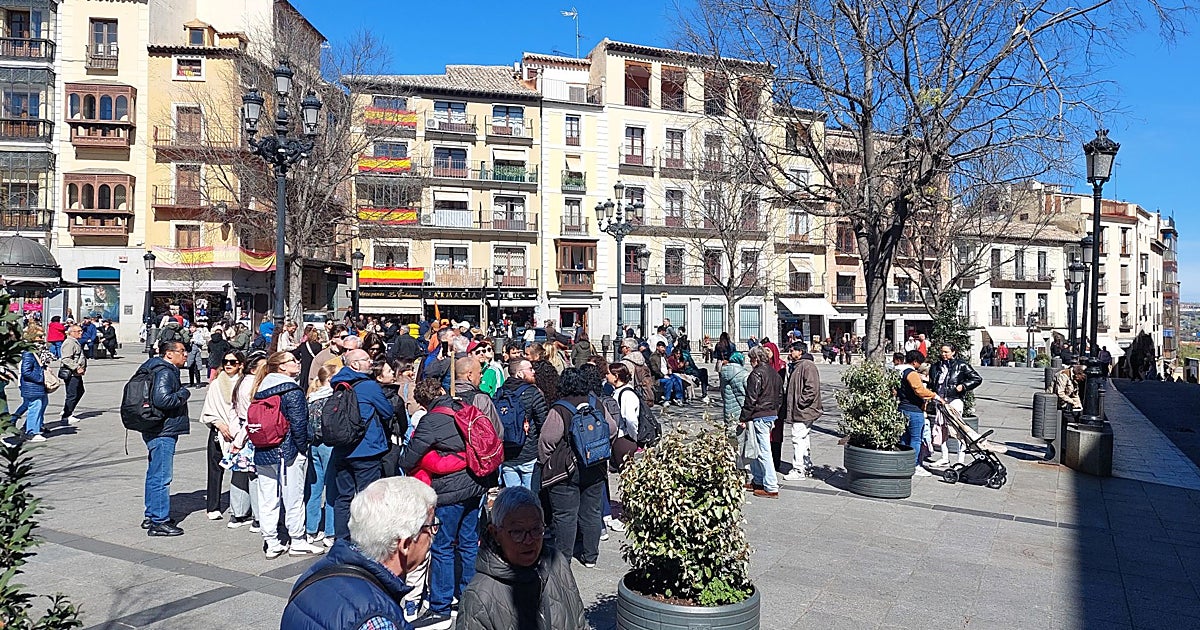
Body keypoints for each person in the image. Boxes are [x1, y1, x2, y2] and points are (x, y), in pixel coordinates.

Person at [398, 359, 502, 630]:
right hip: (475, 484)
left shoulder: (431, 421)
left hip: (449, 491)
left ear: (423, 403)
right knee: (469, 542)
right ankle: (469, 599)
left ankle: (440, 608)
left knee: (443, 547)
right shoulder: (463, 408)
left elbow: (408, 459)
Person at [281, 476, 438, 630]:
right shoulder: (377, 621)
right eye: (431, 525)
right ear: (406, 544)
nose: (433, 533)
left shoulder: (316, 573)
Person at [457, 486, 588, 630]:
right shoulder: (479, 597)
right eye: (517, 532)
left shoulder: (557, 562)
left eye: (536, 529)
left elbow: (579, 620)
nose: (529, 540)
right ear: (495, 533)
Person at [539, 367, 616, 568]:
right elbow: (613, 428)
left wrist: (546, 461)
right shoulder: (596, 403)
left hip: (566, 469)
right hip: (595, 465)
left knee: (565, 515)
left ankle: (564, 559)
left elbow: (547, 441)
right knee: (591, 511)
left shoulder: (560, 409)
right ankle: (591, 556)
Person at [252, 350, 326, 558]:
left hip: (263, 448)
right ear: (281, 367)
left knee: (267, 497)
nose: (297, 362)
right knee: (293, 496)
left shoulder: (261, 388)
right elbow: (299, 423)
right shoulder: (291, 390)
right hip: (288, 450)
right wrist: (302, 448)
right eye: (292, 360)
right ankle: (297, 540)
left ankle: (271, 541)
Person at [330, 349, 395, 540]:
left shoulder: (337, 384)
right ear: (354, 365)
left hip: (342, 448)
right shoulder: (368, 386)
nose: (370, 361)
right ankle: (369, 537)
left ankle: (342, 538)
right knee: (370, 497)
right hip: (367, 449)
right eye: (366, 359)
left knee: (344, 497)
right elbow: (387, 411)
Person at [136, 340, 191, 536]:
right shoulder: (166, 371)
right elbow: (163, 399)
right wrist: (183, 393)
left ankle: (152, 514)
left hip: (152, 426)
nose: (185, 355)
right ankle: (158, 522)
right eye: (182, 351)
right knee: (161, 476)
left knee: (154, 473)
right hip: (163, 430)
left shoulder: (151, 367)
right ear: (169, 354)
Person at [199, 349, 245, 520]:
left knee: (241, 471)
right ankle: (213, 506)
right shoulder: (217, 383)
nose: (228, 365)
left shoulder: (245, 383)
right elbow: (208, 409)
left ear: (240, 364)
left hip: (240, 433)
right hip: (218, 431)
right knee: (215, 469)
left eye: (233, 362)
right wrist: (219, 424)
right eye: (226, 361)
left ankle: (240, 508)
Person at [926, 344, 983, 467]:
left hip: (954, 399)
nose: (943, 354)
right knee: (941, 428)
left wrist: (963, 386)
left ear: (953, 352)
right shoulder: (936, 366)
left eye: (946, 352)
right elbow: (932, 382)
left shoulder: (961, 365)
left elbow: (977, 378)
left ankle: (960, 460)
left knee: (957, 429)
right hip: (940, 400)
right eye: (942, 352)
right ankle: (944, 457)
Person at [495, 358, 548, 490]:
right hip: (529, 454)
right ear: (519, 374)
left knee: (514, 499)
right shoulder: (532, 393)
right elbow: (543, 424)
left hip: (507, 455)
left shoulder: (500, 392)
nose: (533, 372)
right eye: (530, 369)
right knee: (530, 498)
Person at [741, 346, 783, 498]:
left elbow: (751, 398)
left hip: (760, 414)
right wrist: (774, 411)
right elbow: (780, 396)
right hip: (770, 414)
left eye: (751, 359)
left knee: (763, 450)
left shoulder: (756, 374)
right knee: (757, 449)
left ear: (756, 359)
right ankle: (758, 480)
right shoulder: (774, 373)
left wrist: (743, 417)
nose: (750, 362)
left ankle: (771, 486)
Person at [305, 364, 338, 547]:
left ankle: (311, 528)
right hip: (329, 445)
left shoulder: (311, 397)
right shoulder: (331, 397)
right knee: (332, 487)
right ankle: (330, 531)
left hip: (313, 445)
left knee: (314, 487)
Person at [781, 342, 822, 481]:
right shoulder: (798, 365)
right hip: (801, 409)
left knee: (797, 438)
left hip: (803, 410)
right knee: (803, 438)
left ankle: (798, 468)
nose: (790, 353)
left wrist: (800, 402)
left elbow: (811, 388)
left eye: (792, 350)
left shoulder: (806, 366)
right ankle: (806, 465)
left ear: (800, 351)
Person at [897, 350, 940, 477]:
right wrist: (934, 396)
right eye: (919, 363)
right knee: (916, 438)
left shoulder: (898, 371)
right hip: (914, 409)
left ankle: (903, 462)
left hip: (902, 407)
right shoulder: (911, 373)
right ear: (915, 362)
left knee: (904, 437)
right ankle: (914, 465)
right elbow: (919, 390)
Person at [16, 345, 51, 442]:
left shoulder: (36, 352)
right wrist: (40, 377)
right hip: (32, 386)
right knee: (34, 406)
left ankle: (37, 427)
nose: (42, 339)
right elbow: (26, 372)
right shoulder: (28, 353)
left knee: (42, 404)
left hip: (37, 386)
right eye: (39, 336)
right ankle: (31, 432)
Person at [59, 323, 87, 425]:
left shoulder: (75, 342)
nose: (81, 333)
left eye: (81, 331)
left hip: (76, 373)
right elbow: (66, 359)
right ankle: (66, 415)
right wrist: (77, 367)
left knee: (80, 391)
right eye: (78, 331)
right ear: (72, 333)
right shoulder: (69, 343)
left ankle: (68, 410)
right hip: (71, 373)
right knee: (72, 394)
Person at [719, 352, 749, 435]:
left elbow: (722, 392)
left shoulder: (723, 374)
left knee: (730, 435)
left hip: (728, 409)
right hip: (741, 410)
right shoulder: (744, 374)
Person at [648, 341, 685, 406]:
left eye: (664, 347)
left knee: (678, 379)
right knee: (669, 381)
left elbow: (668, 364)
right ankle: (666, 399)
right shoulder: (653, 357)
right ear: (657, 347)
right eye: (662, 347)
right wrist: (663, 375)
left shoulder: (664, 355)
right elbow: (655, 370)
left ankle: (678, 398)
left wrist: (669, 368)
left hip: (667, 374)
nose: (663, 349)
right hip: (658, 377)